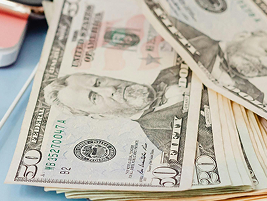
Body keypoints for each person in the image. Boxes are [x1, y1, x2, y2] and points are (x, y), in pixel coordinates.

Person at [43, 66, 186, 157]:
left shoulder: (170, 71)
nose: (110, 90)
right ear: (101, 116)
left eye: (98, 83)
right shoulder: (166, 140)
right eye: (94, 97)